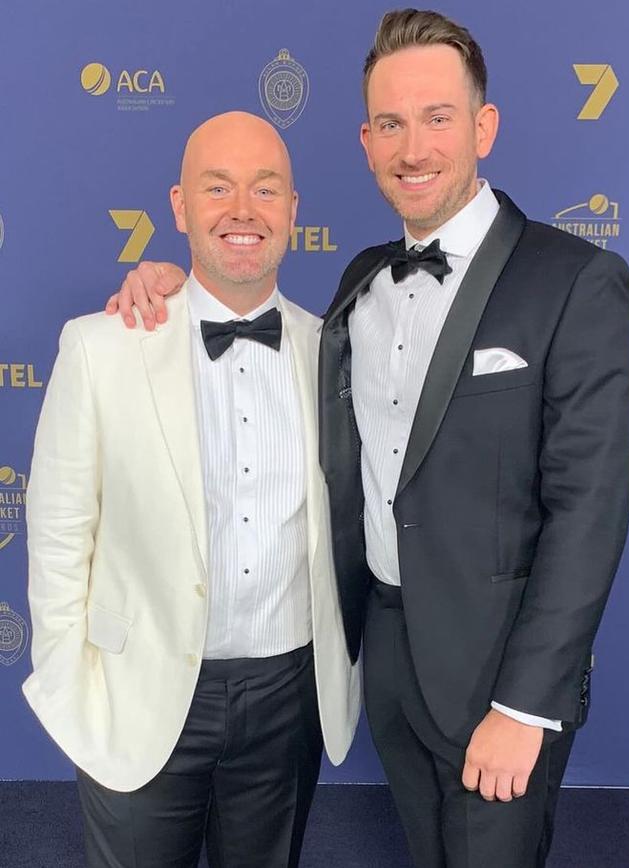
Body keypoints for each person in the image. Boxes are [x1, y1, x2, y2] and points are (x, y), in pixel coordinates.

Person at [107, 9, 629, 868]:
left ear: (484, 127)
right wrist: (176, 285)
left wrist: (525, 706)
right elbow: (260, 324)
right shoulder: (361, 280)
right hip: (384, 657)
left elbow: (590, 513)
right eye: (390, 123)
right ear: (364, 140)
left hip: (500, 674)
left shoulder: (576, 281)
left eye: (437, 118)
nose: (413, 147)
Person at [23, 111, 360, 868]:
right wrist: (72, 688)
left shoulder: (334, 351)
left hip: (288, 695)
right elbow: (57, 532)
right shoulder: (100, 347)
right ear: (180, 207)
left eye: (265, 189)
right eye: (219, 187)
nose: (243, 209)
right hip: (138, 686)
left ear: (293, 212)